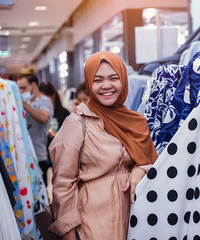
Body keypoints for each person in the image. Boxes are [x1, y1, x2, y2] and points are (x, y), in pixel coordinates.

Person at [49, 51, 158, 240]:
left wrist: (141, 169)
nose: (106, 86)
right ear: (90, 83)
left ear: (123, 80)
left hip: (136, 220)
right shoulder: (77, 122)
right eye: (98, 80)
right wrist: (69, 235)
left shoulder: (136, 122)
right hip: (94, 223)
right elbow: (63, 185)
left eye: (113, 78)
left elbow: (155, 166)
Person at [17, 73, 54, 186]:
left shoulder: (44, 101)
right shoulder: (25, 103)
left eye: (24, 88)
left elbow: (43, 117)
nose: (21, 92)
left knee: (41, 195)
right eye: (19, 89)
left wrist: (23, 105)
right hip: (23, 155)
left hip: (38, 156)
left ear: (33, 85)